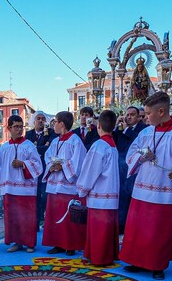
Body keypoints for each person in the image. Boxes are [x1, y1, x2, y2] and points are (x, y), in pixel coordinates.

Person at [120, 91, 172, 279]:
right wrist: (142, 156)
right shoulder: (146, 132)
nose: (145, 117)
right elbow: (131, 154)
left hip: (165, 191)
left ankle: (157, 265)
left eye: (148, 114)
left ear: (162, 111)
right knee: (138, 228)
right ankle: (137, 261)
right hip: (142, 188)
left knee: (160, 230)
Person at [75, 109, 120, 266]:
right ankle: (104, 255)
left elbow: (90, 171)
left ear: (98, 125)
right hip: (111, 194)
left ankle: (100, 258)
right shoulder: (112, 146)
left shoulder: (99, 145)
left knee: (99, 228)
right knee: (105, 228)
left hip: (99, 194)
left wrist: (82, 189)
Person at [0, 115, 43, 252]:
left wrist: (23, 164)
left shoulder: (29, 145)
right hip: (9, 188)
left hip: (26, 189)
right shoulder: (3, 148)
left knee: (27, 217)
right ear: (9, 128)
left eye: (21, 127)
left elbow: (38, 165)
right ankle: (17, 242)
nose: (19, 130)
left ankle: (30, 243)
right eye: (16, 127)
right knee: (13, 218)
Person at [41, 110, 87, 255]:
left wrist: (62, 166)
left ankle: (70, 245)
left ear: (62, 123)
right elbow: (48, 157)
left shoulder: (75, 141)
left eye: (55, 121)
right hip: (54, 184)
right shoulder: (55, 141)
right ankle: (58, 243)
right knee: (55, 215)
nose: (53, 124)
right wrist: (51, 166)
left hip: (68, 186)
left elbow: (79, 162)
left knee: (68, 217)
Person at [116, 105, 145, 229]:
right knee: (122, 197)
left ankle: (134, 226)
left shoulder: (143, 129)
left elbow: (139, 143)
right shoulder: (121, 128)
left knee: (133, 198)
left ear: (138, 117)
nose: (128, 117)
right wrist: (116, 126)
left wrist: (127, 129)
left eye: (132, 115)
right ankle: (121, 226)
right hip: (121, 168)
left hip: (136, 169)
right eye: (127, 115)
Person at [26, 112, 52, 230]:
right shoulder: (28, 134)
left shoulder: (50, 134)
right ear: (34, 121)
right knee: (34, 198)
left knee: (46, 197)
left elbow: (49, 149)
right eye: (38, 119)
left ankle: (47, 222)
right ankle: (34, 224)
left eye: (43, 119)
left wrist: (35, 148)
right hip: (32, 171)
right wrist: (42, 148)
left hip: (45, 171)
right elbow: (26, 150)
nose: (41, 121)